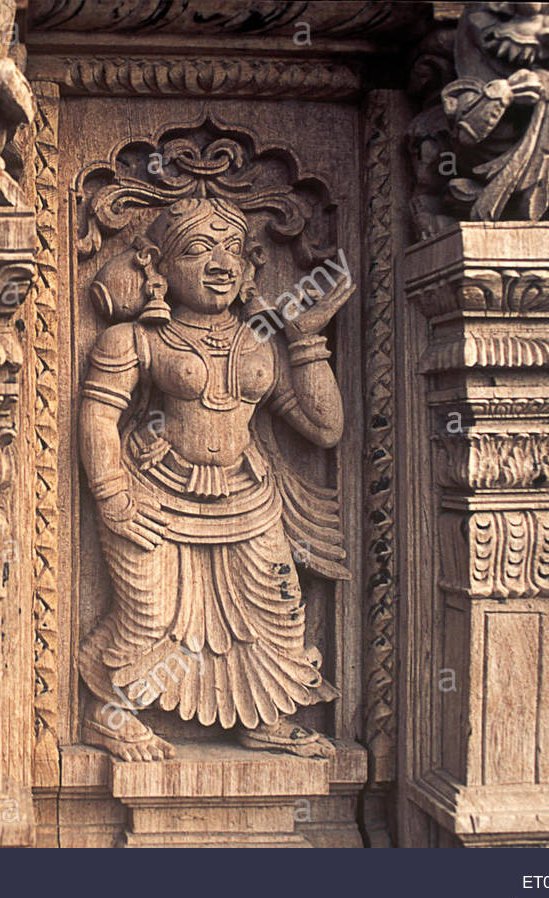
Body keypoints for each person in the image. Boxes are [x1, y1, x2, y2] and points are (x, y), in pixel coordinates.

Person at [77, 196, 353, 761]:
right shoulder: (132, 340)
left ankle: (264, 715)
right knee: (148, 614)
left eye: (231, 249)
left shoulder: (261, 344)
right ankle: (110, 713)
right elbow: (99, 417)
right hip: (153, 498)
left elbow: (324, 428)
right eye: (198, 249)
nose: (219, 262)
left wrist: (303, 339)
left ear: (250, 267)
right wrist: (113, 493)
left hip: (247, 500)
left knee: (275, 614)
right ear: (157, 266)